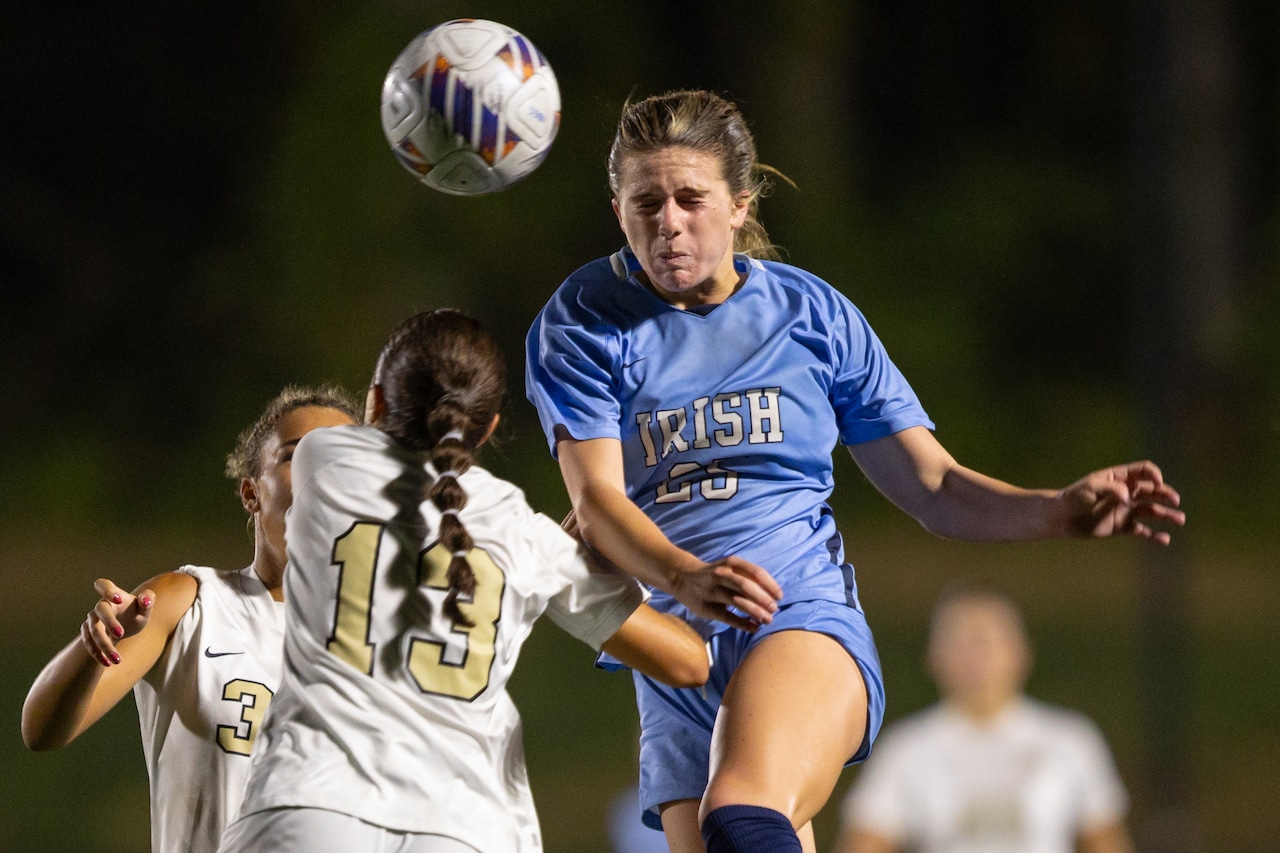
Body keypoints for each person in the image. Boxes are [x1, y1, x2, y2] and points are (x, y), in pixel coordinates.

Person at [524, 89, 1185, 853]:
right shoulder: (583, 318)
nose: (668, 221)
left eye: (689, 198)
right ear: (617, 210)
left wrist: (1057, 510)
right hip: (671, 649)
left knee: (739, 809)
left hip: (793, 613)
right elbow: (597, 499)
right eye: (646, 202)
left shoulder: (812, 315)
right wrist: (686, 578)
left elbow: (932, 485)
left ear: (739, 205)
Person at [217, 309, 711, 853]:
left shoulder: (323, 458)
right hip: (463, 827)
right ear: (491, 427)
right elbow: (686, 663)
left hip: (307, 808)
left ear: (374, 404)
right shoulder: (527, 538)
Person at [22, 385, 361, 853]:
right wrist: (93, 647)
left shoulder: (382, 640)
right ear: (251, 493)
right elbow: (41, 729)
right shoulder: (192, 601)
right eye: (293, 454)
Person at [832, 586, 1135, 853]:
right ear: (934, 657)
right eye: (957, 643)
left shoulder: (1070, 739)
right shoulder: (905, 748)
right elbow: (865, 840)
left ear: (1020, 653)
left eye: (984, 641)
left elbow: (1105, 840)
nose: (973, 658)